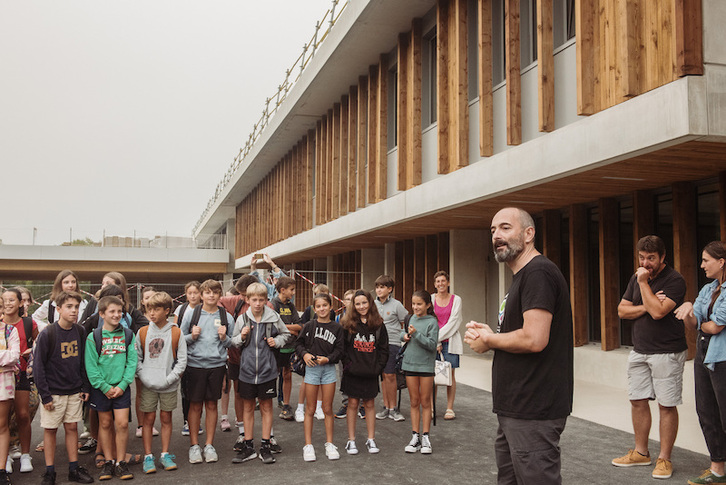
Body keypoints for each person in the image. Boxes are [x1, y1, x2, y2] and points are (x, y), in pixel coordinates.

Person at [465, 207, 573, 485]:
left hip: (533, 409)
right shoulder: (524, 276)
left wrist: (489, 341)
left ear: (528, 234)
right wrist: (492, 334)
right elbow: (521, 333)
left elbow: (535, 338)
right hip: (517, 408)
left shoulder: (538, 273)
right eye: (492, 230)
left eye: (504, 228)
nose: (496, 236)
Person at [612, 235, 687, 480]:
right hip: (639, 350)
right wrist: (647, 303)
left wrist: (644, 287)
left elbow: (658, 313)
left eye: (651, 258)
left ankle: (664, 459)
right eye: (642, 258)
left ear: (663, 257)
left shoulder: (675, 280)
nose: (645, 263)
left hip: (667, 352)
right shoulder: (637, 277)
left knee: (666, 405)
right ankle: (641, 453)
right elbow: (622, 310)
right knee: (637, 401)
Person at [674, 241, 726, 485]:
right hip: (704, 357)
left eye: (706, 260)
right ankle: (717, 470)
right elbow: (694, 323)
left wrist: (703, 321)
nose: (702, 265)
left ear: (721, 262)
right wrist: (690, 312)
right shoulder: (708, 288)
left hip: (723, 359)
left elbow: (715, 326)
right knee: (706, 412)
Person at [33, 290, 94, 485]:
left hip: (74, 391)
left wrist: (85, 386)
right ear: (58, 309)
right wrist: (45, 395)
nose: (74, 311)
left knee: (72, 428)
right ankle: (50, 472)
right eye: (69, 307)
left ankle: (74, 468)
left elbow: (83, 362)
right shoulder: (48, 333)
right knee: (50, 430)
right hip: (53, 393)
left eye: (76, 307)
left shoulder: (80, 331)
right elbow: (38, 366)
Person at [229, 283, 291, 465]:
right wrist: (241, 336)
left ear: (266, 300)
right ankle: (248, 446)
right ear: (247, 300)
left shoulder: (273, 317)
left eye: (261, 300)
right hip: (247, 371)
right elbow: (233, 342)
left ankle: (265, 445)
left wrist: (277, 341)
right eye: (253, 300)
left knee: (266, 407)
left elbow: (286, 334)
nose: (257, 303)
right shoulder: (242, 319)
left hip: (267, 371)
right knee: (247, 407)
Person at [178, 279, 234, 465]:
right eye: (208, 292)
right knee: (195, 405)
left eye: (215, 292)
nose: (211, 295)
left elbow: (231, 343)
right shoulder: (191, 314)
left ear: (220, 295)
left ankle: (209, 444)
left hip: (216, 366)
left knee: (211, 405)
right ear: (201, 295)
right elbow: (179, 339)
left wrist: (224, 337)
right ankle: (194, 445)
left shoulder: (226, 316)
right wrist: (191, 336)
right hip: (194, 366)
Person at [84, 295, 137, 481]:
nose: (116, 315)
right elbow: (91, 366)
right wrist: (104, 387)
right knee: (105, 424)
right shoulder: (93, 337)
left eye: (119, 311)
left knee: (122, 424)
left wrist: (122, 385)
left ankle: (120, 462)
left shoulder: (128, 335)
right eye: (112, 311)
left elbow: (132, 363)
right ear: (102, 314)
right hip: (101, 389)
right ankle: (108, 462)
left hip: (121, 388)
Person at [136, 291, 187, 474]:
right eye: (149, 308)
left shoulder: (176, 332)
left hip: (168, 385)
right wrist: (145, 378)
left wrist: (169, 379)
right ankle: (148, 456)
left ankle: (165, 454)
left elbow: (182, 361)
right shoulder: (142, 332)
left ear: (167, 311)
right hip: (148, 384)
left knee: (166, 418)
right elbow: (137, 359)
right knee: (148, 419)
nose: (152, 313)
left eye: (156, 309)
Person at [295, 293, 344, 462]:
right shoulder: (309, 325)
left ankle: (329, 443)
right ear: (314, 309)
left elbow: (340, 350)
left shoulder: (337, 328)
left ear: (331, 307)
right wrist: (306, 355)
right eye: (318, 306)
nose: (322, 309)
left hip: (329, 368)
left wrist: (329, 359)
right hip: (312, 368)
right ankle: (308, 445)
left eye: (325, 305)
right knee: (310, 408)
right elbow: (298, 344)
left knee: (328, 408)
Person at [340, 289, 389, 455]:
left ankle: (371, 439)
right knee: (352, 404)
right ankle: (351, 440)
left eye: (364, 303)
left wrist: (378, 368)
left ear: (370, 303)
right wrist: (349, 366)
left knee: (369, 404)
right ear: (353, 305)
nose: (361, 306)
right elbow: (343, 349)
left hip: (370, 372)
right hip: (352, 372)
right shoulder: (347, 324)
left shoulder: (378, 324)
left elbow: (384, 349)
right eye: (358, 303)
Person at [1, 289, 38, 474]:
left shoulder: (28, 323)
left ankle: (25, 454)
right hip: (3, 376)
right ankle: (5, 455)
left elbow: (39, 344)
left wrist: (30, 353)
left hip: (22, 373)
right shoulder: (0, 325)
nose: (8, 304)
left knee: (23, 414)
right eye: (4, 300)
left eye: (12, 300)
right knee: (3, 419)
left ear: (20, 303)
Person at [402, 291, 438, 455]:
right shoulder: (410, 318)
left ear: (428, 305)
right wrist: (405, 336)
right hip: (409, 364)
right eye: (414, 303)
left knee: (425, 402)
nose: (415, 307)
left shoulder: (432, 322)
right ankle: (414, 436)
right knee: (414, 401)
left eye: (419, 304)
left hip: (426, 366)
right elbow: (403, 336)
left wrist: (416, 334)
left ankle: (426, 437)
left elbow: (432, 345)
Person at [373, 275, 408, 422]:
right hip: (375, 344)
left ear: (390, 289)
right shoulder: (372, 304)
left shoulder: (397, 305)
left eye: (382, 287)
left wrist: (403, 336)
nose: (379, 290)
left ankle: (393, 409)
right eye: (377, 287)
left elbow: (407, 321)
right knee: (383, 376)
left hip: (392, 343)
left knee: (390, 375)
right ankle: (386, 407)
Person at [431, 271, 463, 420]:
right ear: (435, 284)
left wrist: (438, 338)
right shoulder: (431, 299)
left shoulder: (456, 300)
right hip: (432, 343)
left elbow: (454, 322)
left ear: (448, 283)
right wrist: (435, 341)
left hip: (450, 342)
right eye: (438, 281)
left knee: (450, 375)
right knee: (432, 376)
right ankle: (431, 407)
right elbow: (429, 321)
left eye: (443, 281)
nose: (441, 284)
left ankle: (450, 408)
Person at [173, 281, 202, 437]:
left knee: (199, 391)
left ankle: (197, 421)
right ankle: (186, 420)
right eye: (189, 293)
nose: (192, 295)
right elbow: (176, 332)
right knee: (186, 390)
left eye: (195, 292)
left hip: (201, 356)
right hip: (185, 355)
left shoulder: (205, 309)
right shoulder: (181, 309)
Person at [271, 277, 302, 421]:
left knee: (287, 375)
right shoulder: (273, 304)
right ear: (282, 290)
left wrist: (286, 327)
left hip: (291, 347)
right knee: (272, 375)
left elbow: (299, 326)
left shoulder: (291, 306)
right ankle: (266, 402)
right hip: (278, 347)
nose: (294, 293)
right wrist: (291, 329)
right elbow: (274, 325)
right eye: (292, 290)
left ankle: (286, 405)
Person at [0, 302, 19, 485]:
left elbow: (14, 355)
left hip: (4, 385)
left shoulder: (9, 331)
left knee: (2, 425)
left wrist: (6, 357)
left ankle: (1, 469)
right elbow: (7, 357)